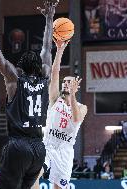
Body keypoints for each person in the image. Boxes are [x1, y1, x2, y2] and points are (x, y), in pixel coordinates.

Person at [0, 0, 59, 188]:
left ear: (20, 67)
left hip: (18, 146)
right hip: (39, 149)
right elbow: (47, 50)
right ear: (39, 68)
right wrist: (49, 18)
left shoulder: (15, 79)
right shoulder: (45, 76)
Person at [33, 39, 87, 189]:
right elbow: (55, 72)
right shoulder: (55, 99)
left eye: (69, 82)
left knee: (59, 187)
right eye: (64, 82)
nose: (64, 83)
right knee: (34, 174)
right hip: (48, 145)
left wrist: (73, 95)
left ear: (75, 87)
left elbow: (76, 119)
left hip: (65, 151)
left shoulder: (82, 107)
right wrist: (60, 50)